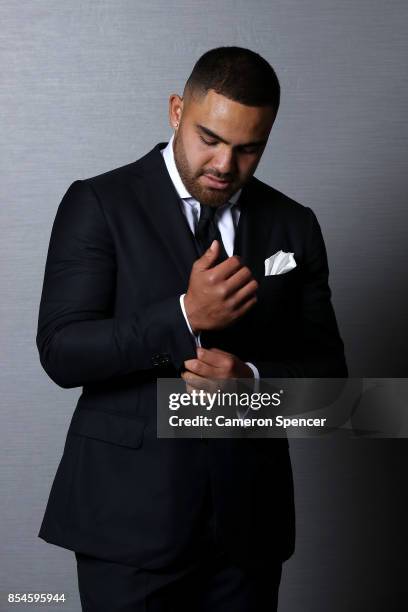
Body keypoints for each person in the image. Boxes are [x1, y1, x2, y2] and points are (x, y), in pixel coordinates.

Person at [36, 46, 347, 611]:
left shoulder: (293, 224)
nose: (226, 165)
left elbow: (331, 387)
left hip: (247, 534)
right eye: (210, 138)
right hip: (126, 527)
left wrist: (252, 384)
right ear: (177, 110)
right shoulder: (100, 203)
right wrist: (183, 317)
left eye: (248, 148)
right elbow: (62, 352)